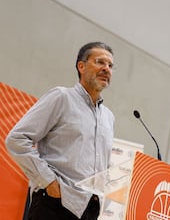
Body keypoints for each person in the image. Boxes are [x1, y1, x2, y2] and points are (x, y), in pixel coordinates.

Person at [6, 42, 116, 220]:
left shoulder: (109, 117)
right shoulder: (61, 97)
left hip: (88, 211)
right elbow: (17, 139)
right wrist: (49, 182)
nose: (106, 69)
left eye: (110, 65)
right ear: (81, 66)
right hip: (54, 204)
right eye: (100, 62)